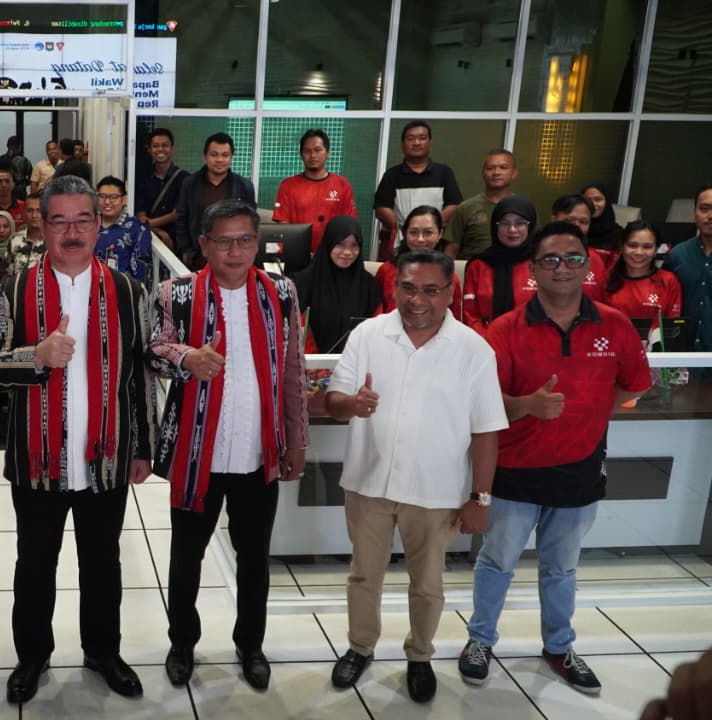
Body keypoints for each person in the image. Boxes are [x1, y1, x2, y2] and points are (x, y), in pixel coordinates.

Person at [0, 175, 156, 705]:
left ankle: (102, 651)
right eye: (59, 221)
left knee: (103, 562)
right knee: (35, 564)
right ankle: (33, 655)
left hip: (108, 454)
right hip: (36, 457)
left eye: (83, 220)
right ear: (42, 224)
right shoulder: (13, 289)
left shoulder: (129, 291)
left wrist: (143, 446)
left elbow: (141, 375)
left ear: (100, 224)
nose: (72, 231)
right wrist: (35, 355)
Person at [459, 221, 651, 696]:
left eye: (573, 258)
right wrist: (528, 405)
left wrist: (591, 412)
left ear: (588, 266)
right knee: (497, 562)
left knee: (562, 569)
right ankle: (480, 641)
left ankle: (559, 646)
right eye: (550, 259)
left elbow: (633, 384)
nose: (561, 268)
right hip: (515, 472)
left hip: (579, 470)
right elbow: (483, 403)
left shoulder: (615, 325)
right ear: (533, 269)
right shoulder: (506, 329)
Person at [325, 249, 507, 703]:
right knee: (364, 575)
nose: (417, 300)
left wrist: (481, 498)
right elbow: (333, 400)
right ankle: (359, 646)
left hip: (435, 490)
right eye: (408, 288)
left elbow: (486, 431)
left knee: (427, 584)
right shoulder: (368, 334)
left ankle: (420, 654)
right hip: (368, 482)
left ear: (449, 293)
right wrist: (353, 404)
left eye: (430, 290)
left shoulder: (473, 350)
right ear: (394, 287)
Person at [146, 199, 308, 691]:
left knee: (255, 558)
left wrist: (296, 439)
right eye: (224, 241)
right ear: (204, 244)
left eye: (245, 240)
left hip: (259, 452)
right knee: (186, 557)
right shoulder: (176, 293)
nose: (235, 251)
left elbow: (293, 368)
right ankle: (182, 642)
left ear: (257, 244)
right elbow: (152, 349)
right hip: (198, 453)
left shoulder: (280, 291)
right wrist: (187, 358)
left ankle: (250, 645)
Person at [292, 215, 380, 354]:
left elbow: (376, 329)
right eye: (340, 244)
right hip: (311, 363)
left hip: (356, 362)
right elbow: (295, 328)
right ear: (329, 243)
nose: (347, 252)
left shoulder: (369, 286)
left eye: (354, 245)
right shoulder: (303, 282)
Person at [374, 121, 463, 257]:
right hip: (401, 242)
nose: (416, 143)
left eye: (422, 138)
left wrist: (432, 225)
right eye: (410, 138)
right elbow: (381, 208)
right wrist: (407, 229)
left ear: (430, 143)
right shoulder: (392, 174)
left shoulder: (444, 172)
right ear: (402, 145)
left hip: (434, 243)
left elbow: (454, 205)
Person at [174, 132, 257, 268]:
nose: (219, 160)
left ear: (231, 157)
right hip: (198, 257)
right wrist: (185, 250)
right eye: (214, 155)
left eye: (225, 155)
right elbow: (181, 219)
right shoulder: (190, 183)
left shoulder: (244, 186)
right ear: (205, 156)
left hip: (232, 256)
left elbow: (251, 224)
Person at [461, 195, 538, 336]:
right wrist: (489, 341)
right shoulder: (478, 265)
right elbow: (469, 315)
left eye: (520, 223)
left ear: (530, 226)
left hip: (532, 342)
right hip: (483, 342)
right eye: (504, 223)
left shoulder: (541, 264)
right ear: (495, 226)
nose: (512, 229)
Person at [271, 128, 357, 252]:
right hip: (298, 254)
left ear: (328, 153)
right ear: (301, 155)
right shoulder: (288, 185)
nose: (312, 156)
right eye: (307, 151)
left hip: (332, 254)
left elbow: (349, 225)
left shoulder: (342, 185)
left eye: (317, 150)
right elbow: (283, 225)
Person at [374, 206, 462, 318]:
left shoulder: (449, 277)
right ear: (405, 234)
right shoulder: (386, 271)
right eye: (413, 232)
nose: (420, 239)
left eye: (428, 232)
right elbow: (375, 316)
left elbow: (454, 320)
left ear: (440, 234)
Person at [660, 185, 712, 352]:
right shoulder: (678, 254)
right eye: (704, 209)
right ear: (694, 213)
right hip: (682, 353)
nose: (710, 216)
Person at [443, 149, 519, 260]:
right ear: (483, 173)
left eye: (503, 167)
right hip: (471, 268)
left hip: (512, 267)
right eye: (490, 168)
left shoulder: (523, 208)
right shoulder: (466, 208)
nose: (496, 172)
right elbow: (451, 250)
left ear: (514, 173)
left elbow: (533, 247)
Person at [603, 220, 682, 321]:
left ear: (656, 249)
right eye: (632, 245)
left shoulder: (669, 281)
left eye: (647, 247)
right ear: (621, 247)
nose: (639, 252)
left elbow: (673, 325)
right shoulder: (606, 278)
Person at [135, 128, 189, 249]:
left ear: (172, 149)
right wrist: (159, 232)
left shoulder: (184, 178)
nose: (160, 149)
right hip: (150, 239)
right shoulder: (141, 178)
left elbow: (178, 213)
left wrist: (150, 223)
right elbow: (140, 215)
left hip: (177, 242)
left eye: (165, 145)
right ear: (149, 150)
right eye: (155, 146)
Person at [550, 194, 610, 298]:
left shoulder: (595, 260)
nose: (576, 226)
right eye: (569, 220)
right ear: (554, 220)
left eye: (583, 222)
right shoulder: (536, 256)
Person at [95, 175, 152, 285]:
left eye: (113, 197)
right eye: (102, 196)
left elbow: (141, 276)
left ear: (124, 199)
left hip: (120, 292)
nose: (107, 202)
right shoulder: (87, 226)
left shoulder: (138, 231)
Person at [581, 181, 623, 259]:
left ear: (607, 201)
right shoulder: (575, 231)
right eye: (588, 200)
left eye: (598, 199)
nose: (593, 204)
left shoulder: (619, 235)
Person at [8, 194, 46, 279]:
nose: (34, 215)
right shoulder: (14, 240)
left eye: (38, 210)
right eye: (30, 210)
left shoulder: (54, 242)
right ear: (24, 213)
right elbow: (7, 275)